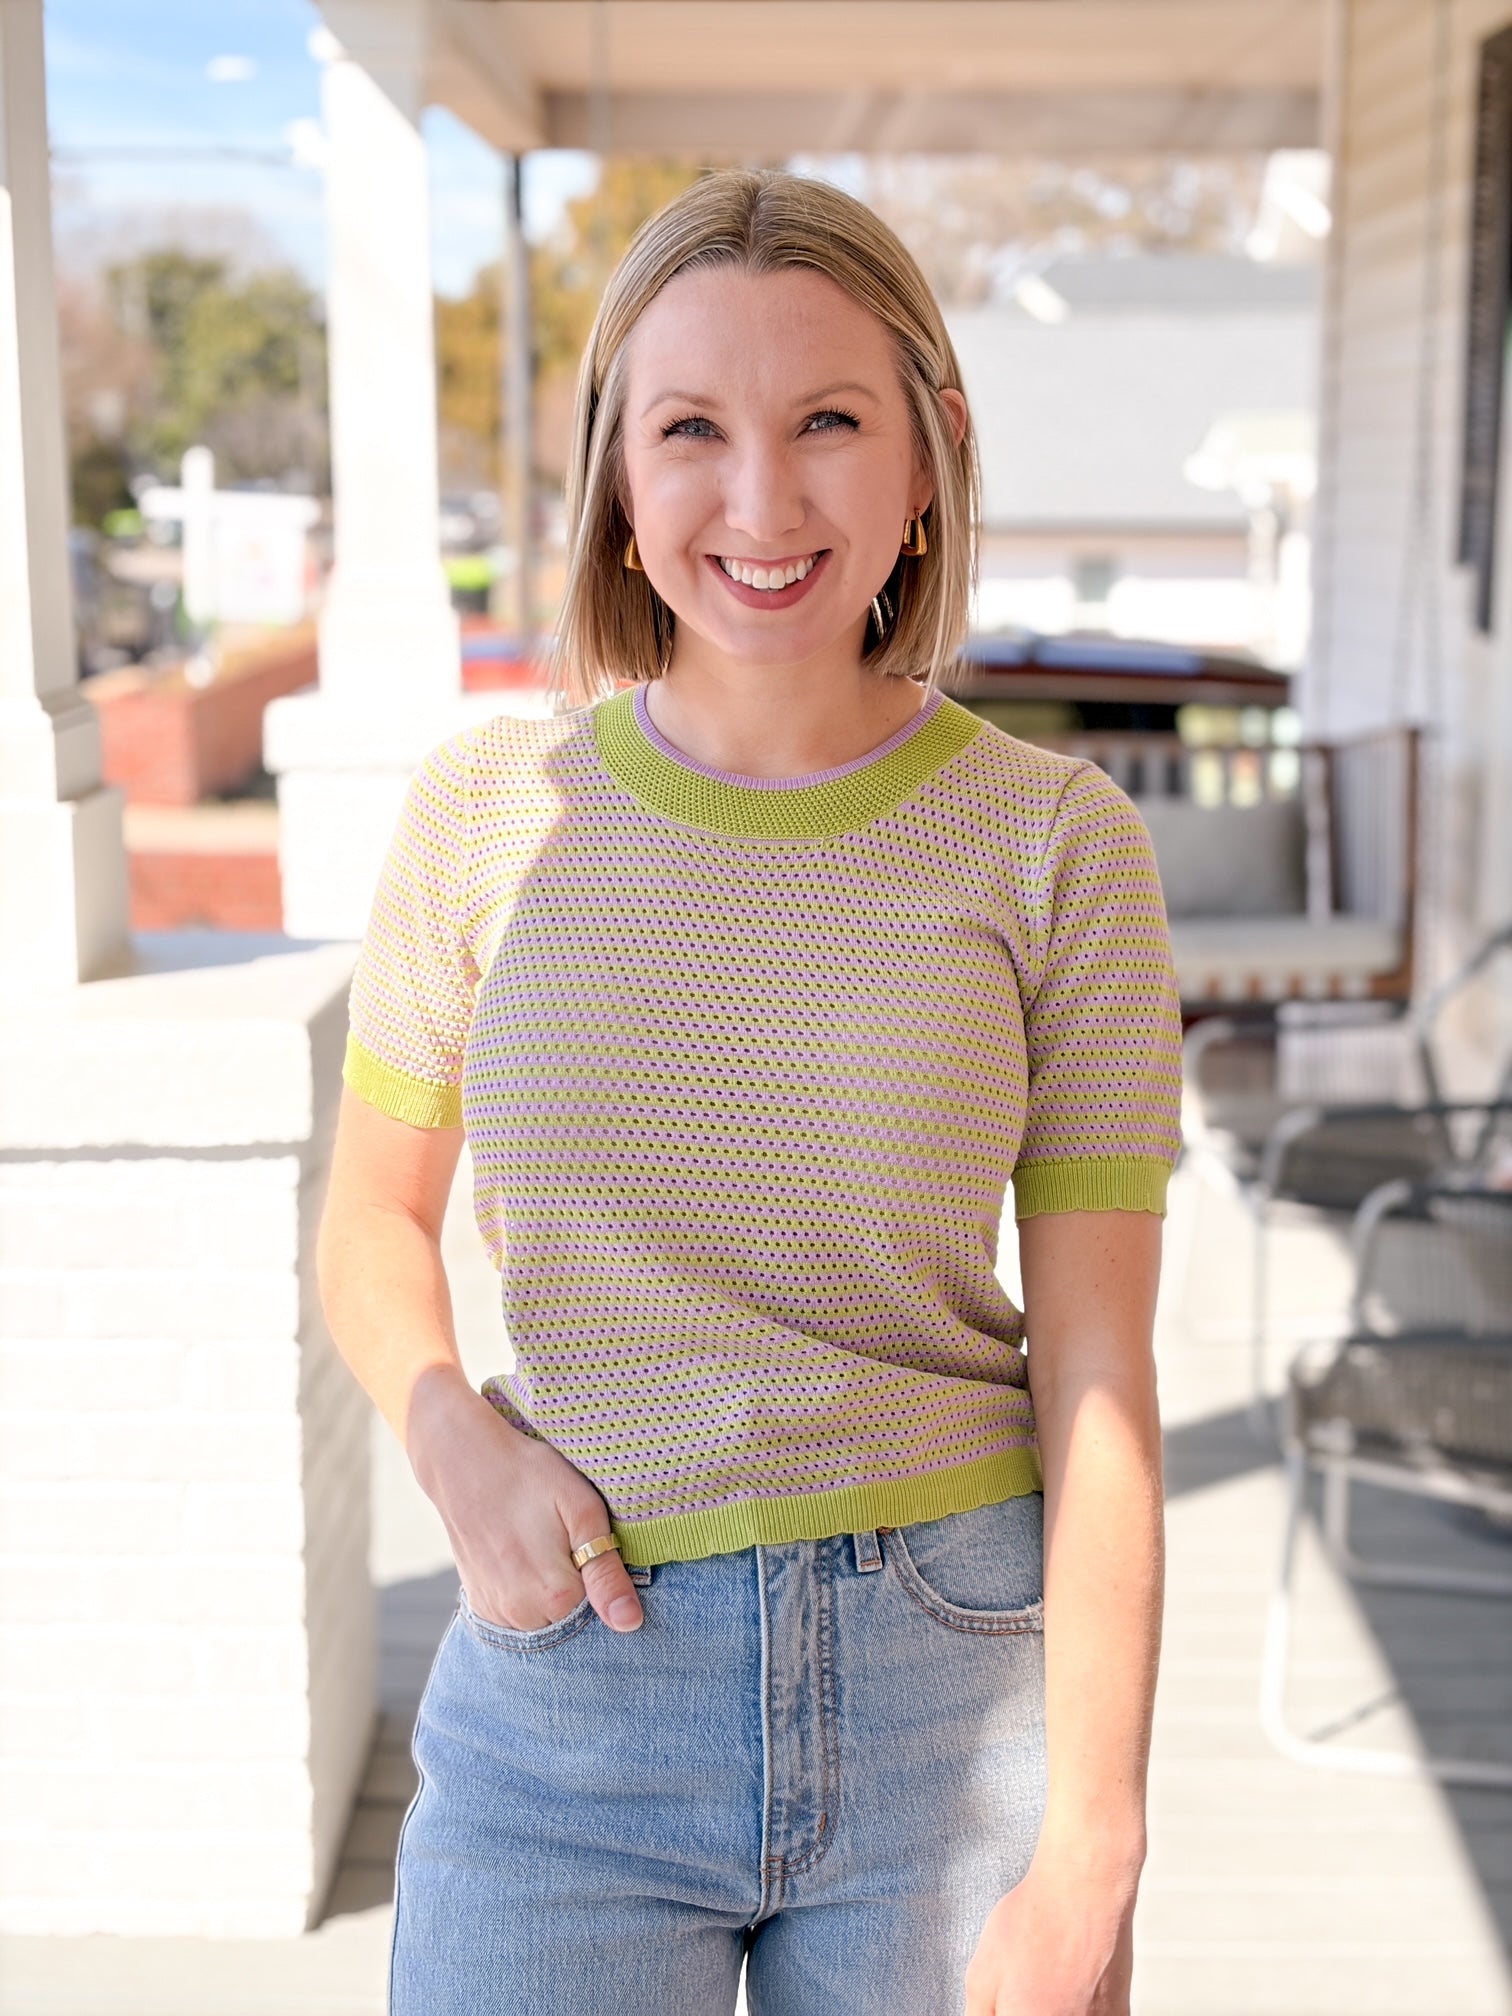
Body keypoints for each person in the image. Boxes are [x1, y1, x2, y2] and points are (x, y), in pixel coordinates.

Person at [317, 167, 1182, 2016]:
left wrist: (1093, 1848)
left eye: (829, 423)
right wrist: (455, 1441)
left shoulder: (1057, 845)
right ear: (617, 476)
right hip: (570, 1694)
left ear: (931, 456)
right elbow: (369, 1230)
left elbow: (1101, 1380)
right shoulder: (482, 814)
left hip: (958, 1701)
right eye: (692, 428)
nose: (762, 501)